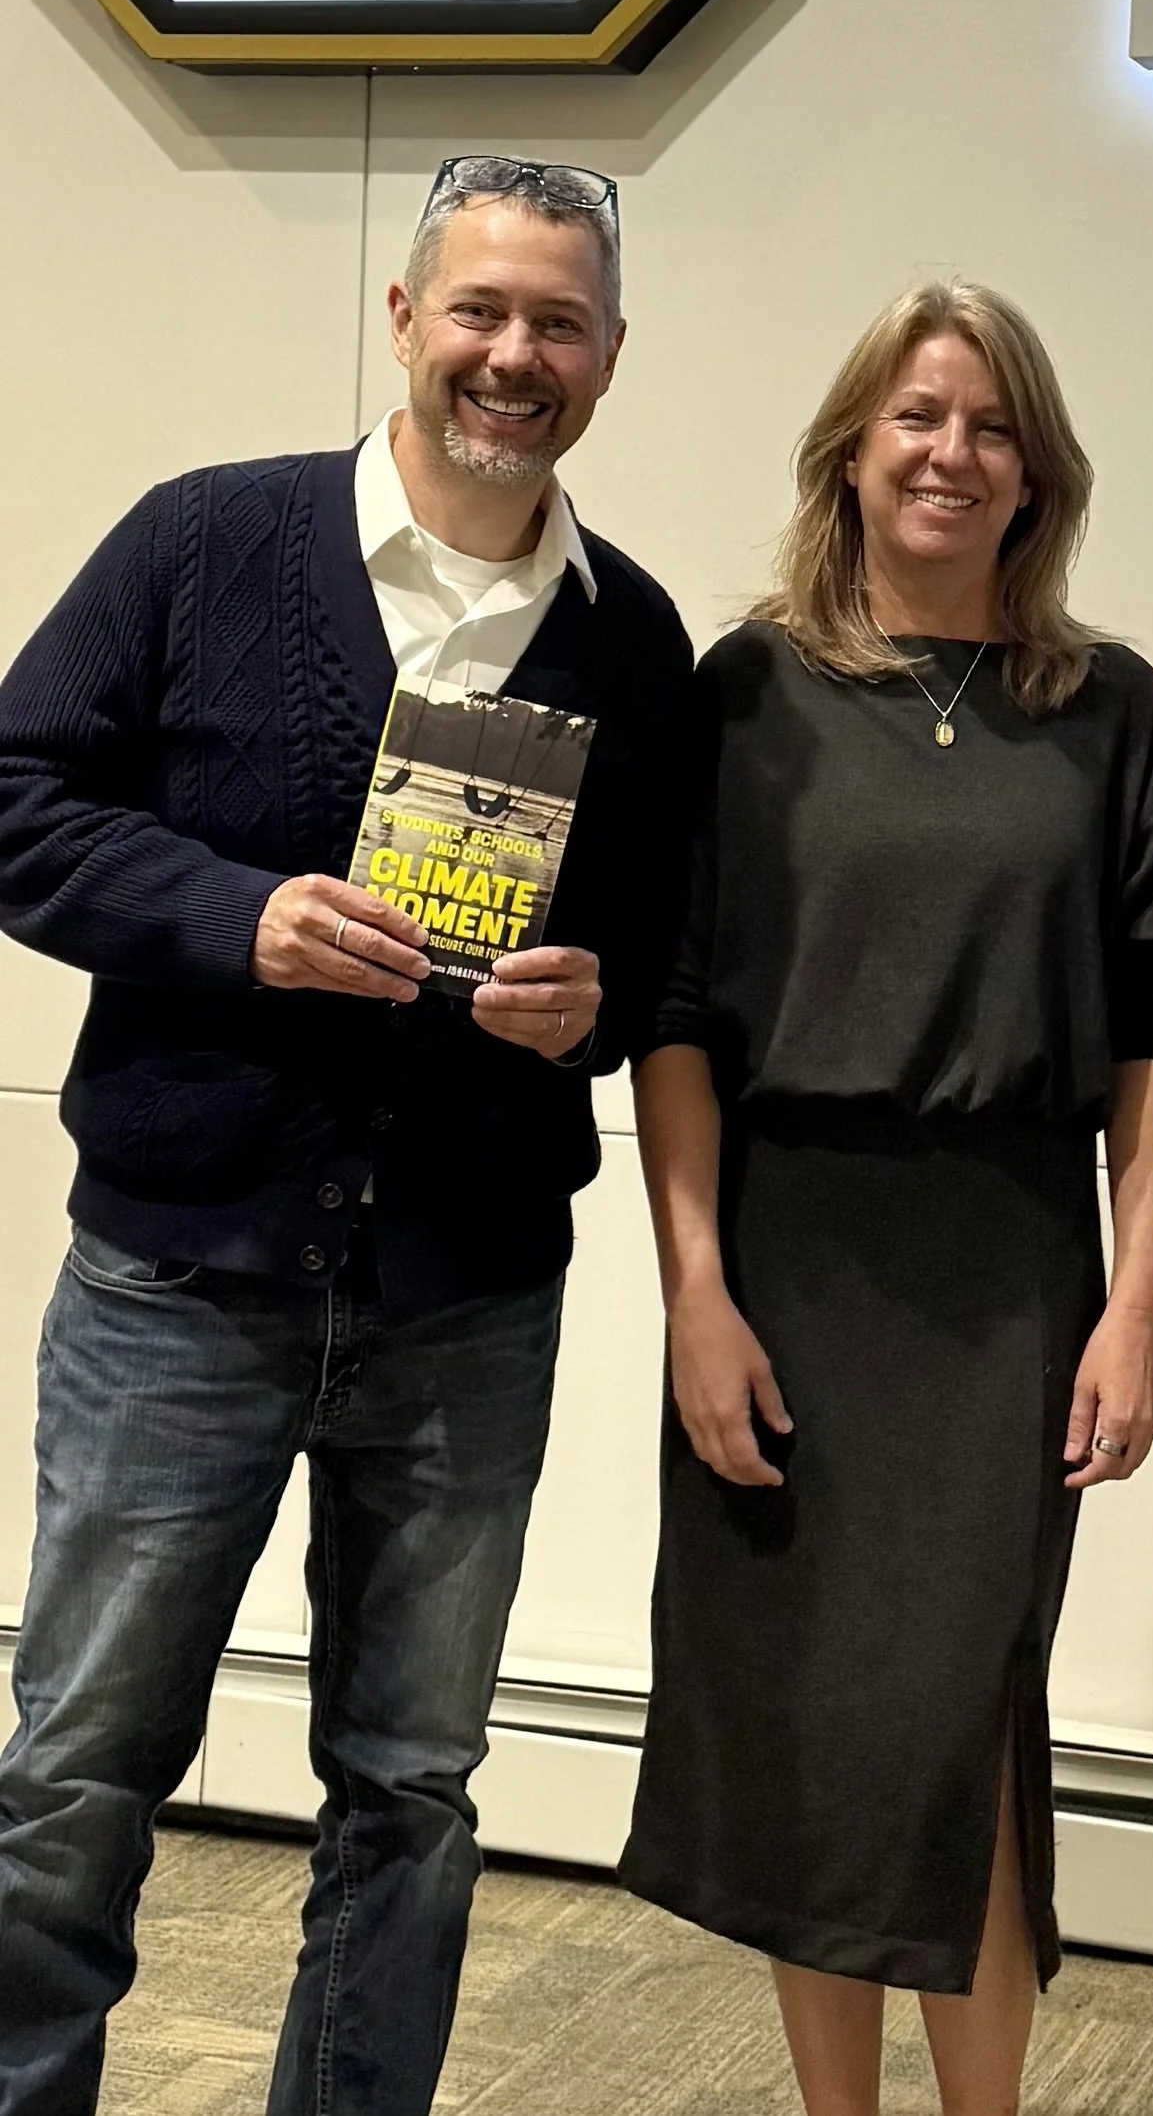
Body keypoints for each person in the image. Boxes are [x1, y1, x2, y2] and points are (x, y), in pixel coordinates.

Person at [0, 155, 693, 2116]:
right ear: (404, 318)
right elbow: (14, 791)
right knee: (74, 1769)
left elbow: (657, 954)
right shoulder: (205, 545)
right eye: (480, 309)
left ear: (611, 357)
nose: (513, 354)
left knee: (413, 1788)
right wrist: (237, 917)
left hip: (467, 1295)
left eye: (558, 322)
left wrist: (597, 1009)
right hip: (179, 1277)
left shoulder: (631, 641)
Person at [619, 278, 1153, 2116]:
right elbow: (678, 1012)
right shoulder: (746, 691)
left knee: (963, 1726)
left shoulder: (1106, 707)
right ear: (853, 452)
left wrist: (1138, 1300)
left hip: (1010, 1267)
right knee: (810, 1735)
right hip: (787, 1258)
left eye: (991, 425)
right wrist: (693, 1292)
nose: (954, 452)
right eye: (919, 417)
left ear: (1036, 473)